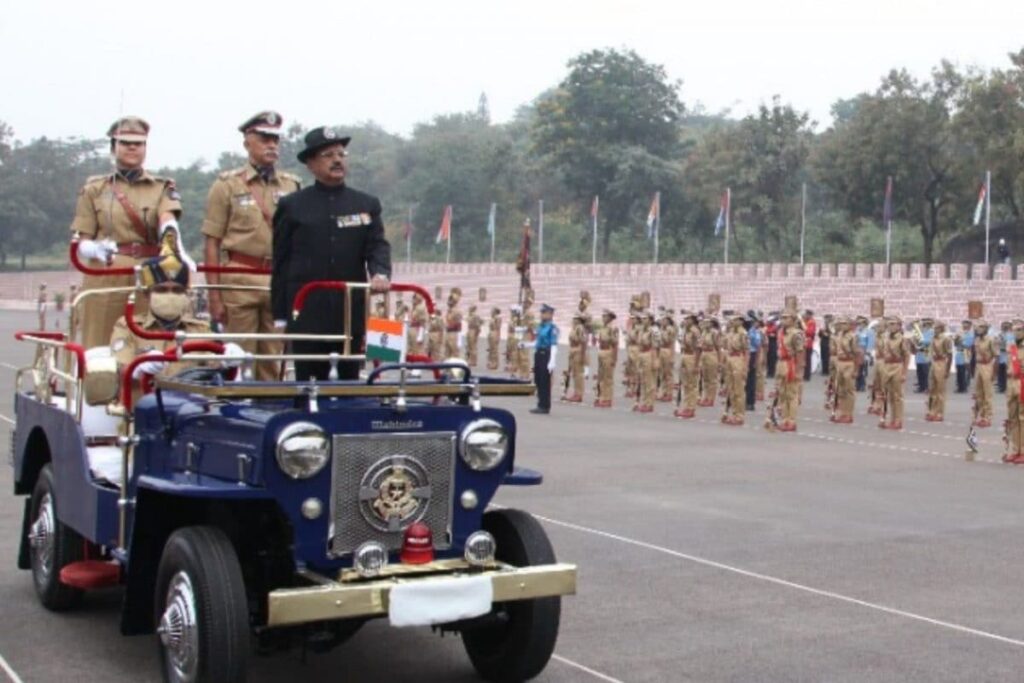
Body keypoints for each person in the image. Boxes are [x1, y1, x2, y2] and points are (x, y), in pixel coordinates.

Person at [271, 127, 391, 381]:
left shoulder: (366, 204)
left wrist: (380, 271)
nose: (337, 160)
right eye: (328, 155)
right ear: (311, 164)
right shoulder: (292, 206)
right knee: (309, 384)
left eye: (341, 154)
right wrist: (280, 315)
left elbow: (377, 245)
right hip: (306, 311)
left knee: (348, 381)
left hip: (348, 310)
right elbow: (281, 262)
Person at [203, 111, 301, 381]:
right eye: (264, 138)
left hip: (277, 280)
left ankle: (268, 411)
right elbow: (212, 241)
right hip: (239, 278)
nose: (272, 145)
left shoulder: (292, 185)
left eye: (275, 140)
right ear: (248, 142)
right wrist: (214, 296)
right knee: (238, 356)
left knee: (271, 359)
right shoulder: (226, 186)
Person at [72, 116, 182, 349]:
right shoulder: (95, 189)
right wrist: (93, 248)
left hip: (148, 271)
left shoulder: (161, 187)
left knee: (148, 339)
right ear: (113, 148)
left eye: (139, 143)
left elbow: (167, 218)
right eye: (125, 142)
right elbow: (83, 238)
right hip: (105, 271)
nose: (132, 147)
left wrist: (171, 243)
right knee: (99, 343)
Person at [111, 227, 241, 405]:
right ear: (148, 294)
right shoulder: (128, 326)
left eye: (177, 290)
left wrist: (229, 362)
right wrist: (138, 368)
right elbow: (118, 369)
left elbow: (215, 370)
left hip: (188, 416)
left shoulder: (200, 330)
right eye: (162, 290)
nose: (170, 295)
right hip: (140, 416)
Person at [771, 310, 805, 432]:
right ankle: (784, 419)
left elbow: (800, 353)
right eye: (782, 318)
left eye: (786, 318)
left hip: (791, 363)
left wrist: (799, 371)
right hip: (781, 362)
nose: (783, 320)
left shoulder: (796, 334)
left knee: (791, 394)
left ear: (793, 320)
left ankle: (791, 420)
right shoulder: (781, 332)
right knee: (783, 394)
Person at [877, 317, 910, 430]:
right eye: (889, 324)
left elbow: (906, 356)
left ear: (899, 326)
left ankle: (898, 420)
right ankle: (891, 419)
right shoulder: (886, 338)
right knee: (889, 395)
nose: (891, 326)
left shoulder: (902, 339)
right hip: (887, 367)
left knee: (897, 396)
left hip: (897, 366)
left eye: (893, 324)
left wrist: (904, 372)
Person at [525, 304, 558, 414]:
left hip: (546, 354)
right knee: (538, 379)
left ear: (550, 314)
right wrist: (526, 345)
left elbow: (553, 345)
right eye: (541, 313)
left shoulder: (552, 328)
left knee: (544, 380)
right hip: (538, 354)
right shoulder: (541, 326)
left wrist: (552, 360)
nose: (542, 315)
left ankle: (545, 405)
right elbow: (537, 343)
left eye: (544, 313)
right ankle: (540, 403)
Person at [1002, 319, 1024, 464]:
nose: (1016, 332)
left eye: (1019, 330)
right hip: (1011, 384)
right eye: (1014, 330)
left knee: (1023, 419)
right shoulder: (1011, 347)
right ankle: (1015, 450)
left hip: (1022, 383)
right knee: (1013, 419)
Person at [831, 316, 861, 423]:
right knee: (840, 389)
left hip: (849, 362)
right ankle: (842, 412)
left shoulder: (853, 337)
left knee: (849, 390)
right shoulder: (838, 336)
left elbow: (857, 353)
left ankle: (848, 414)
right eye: (841, 323)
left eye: (845, 324)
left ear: (849, 325)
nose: (842, 326)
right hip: (840, 363)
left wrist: (856, 369)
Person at [722, 314, 748, 425]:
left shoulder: (743, 333)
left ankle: (739, 415)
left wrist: (745, 366)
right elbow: (724, 345)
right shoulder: (730, 332)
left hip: (738, 358)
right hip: (729, 358)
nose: (732, 322)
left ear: (741, 322)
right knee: (730, 388)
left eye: (735, 320)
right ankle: (733, 412)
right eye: (732, 320)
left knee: (738, 389)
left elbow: (746, 350)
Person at [674, 311, 701, 419]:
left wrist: (696, 364)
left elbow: (699, 348)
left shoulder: (695, 331)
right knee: (685, 384)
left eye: (688, 319)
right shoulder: (686, 331)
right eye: (685, 319)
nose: (685, 321)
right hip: (685, 355)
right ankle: (686, 406)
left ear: (693, 320)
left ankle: (691, 408)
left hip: (692, 356)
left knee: (692, 384)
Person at [925, 320, 953, 422]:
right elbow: (931, 351)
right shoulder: (933, 339)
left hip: (941, 362)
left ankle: (940, 412)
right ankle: (931, 411)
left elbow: (950, 355)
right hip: (934, 363)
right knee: (932, 388)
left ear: (941, 329)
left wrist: (948, 370)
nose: (934, 330)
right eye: (934, 328)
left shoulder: (946, 339)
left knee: (940, 389)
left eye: (936, 328)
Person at [972, 320, 998, 427]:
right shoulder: (977, 340)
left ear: (986, 329)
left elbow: (997, 356)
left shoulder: (991, 340)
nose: (979, 329)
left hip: (987, 365)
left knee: (987, 393)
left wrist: (994, 373)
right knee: (979, 393)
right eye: (978, 327)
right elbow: (974, 356)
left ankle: (987, 417)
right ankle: (981, 415)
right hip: (978, 366)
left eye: (982, 327)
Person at [633, 311, 657, 413]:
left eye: (645, 319)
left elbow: (655, 347)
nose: (643, 321)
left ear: (650, 320)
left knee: (649, 380)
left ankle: (649, 403)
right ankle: (643, 401)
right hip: (641, 354)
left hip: (649, 354)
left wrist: (655, 360)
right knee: (642, 379)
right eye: (642, 319)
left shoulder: (653, 331)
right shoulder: (641, 331)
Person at [594, 309, 619, 408]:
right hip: (601, 351)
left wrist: (614, 358)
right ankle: (601, 397)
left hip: (608, 352)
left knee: (607, 377)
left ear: (610, 318)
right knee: (601, 376)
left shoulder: (612, 329)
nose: (603, 318)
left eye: (605, 316)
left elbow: (615, 344)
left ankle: (607, 399)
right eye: (603, 316)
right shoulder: (603, 328)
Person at [563, 312, 588, 403]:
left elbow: (583, 342)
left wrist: (582, 355)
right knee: (574, 373)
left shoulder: (580, 328)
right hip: (573, 350)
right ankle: (575, 392)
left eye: (575, 318)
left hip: (578, 350)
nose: (573, 320)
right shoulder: (574, 328)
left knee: (578, 374)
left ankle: (579, 394)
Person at [657, 309, 677, 402]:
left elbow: (670, 342)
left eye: (664, 320)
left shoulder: (670, 329)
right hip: (662, 350)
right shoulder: (662, 329)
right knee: (662, 373)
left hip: (667, 350)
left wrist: (672, 357)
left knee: (668, 373)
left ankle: (669, 393)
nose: (662, 321)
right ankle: (664, 392)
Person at [443, 288, 464, 359]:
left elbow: (459, 325)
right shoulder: (449, 310)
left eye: (451, 300)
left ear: (454, 302)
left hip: (454, 334)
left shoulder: (457, 311)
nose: (449, 302)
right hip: (448, 333)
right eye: (449, 300)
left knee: (454, 353)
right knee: (446, 352)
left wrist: (459, 339)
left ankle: (454, 369)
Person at [954, 320, 974, 393]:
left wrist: (960, 341)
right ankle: (959, 386)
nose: (964, 326)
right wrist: (956, 340)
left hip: (966, 352)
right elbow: (955, 344)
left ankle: (964, 386)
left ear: (969, 326)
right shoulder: (960, 333)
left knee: (964, 370)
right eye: (963, 324)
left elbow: (968, 344)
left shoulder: (971, 334)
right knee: (959, 370)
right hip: (959, 352)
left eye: (966, 324)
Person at [998, 320, 1013, 393]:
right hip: (1000, 354)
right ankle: (1001, 386)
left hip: (1008, 355)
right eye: (1004, 324)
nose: (1005, 326)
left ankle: (1008, 387)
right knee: (1000, 371)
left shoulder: (1011, 335)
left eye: (1007, 324)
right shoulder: (999, 334)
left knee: (1007, 372)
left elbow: (1011, 344)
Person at [802, 310, 817, 381]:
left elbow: (809, 332)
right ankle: (803, 374)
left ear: (809, 315)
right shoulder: (805, 321)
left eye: (806, 314)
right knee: (803, 359)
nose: (805, 316)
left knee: (807, 360)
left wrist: (803, 327)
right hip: (803, 342)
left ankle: (807, 376)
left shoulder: (812, 322)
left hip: (808, 343)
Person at [486, 306, 502, 370]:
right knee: (491, 349)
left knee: (494, 350)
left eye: (492, 311)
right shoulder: (492, 318)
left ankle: (495, 363)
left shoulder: (497, 318)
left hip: (495, 333)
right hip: (491, 333)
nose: (491, 312)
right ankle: (491, 362)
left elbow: (498, 328)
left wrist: (497, 337)